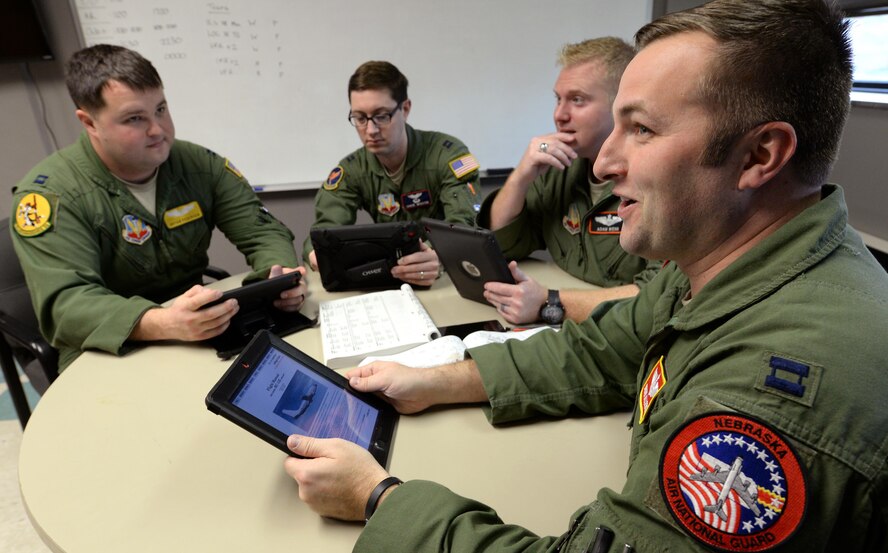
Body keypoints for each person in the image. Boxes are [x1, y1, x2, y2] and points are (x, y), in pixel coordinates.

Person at [281, 0, 888, 551]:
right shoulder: (721, 264)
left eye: (642, 129)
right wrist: (436, 381)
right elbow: (598, 352)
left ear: (759, 156)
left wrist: (380, 500)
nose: (604, 160)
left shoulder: (771, 390)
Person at [10, 44, 308, 371]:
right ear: (89, 122)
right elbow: (67, 307)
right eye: (135, 118)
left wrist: (276, 277)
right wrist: (162, 322)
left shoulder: (197, 164)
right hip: (104, 348)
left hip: (199, 331)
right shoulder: (51, 196)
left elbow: (261, 230)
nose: (158, 131)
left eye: (161, 109)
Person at [479, 38, 661, 326]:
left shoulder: (657, 179)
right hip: (574, 327)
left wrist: (550, 301)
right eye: (558, 99)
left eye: (577, 100)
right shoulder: (560, 167)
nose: (559, 115)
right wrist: (521, 176)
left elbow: (660, 295)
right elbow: (505, 244)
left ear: (623, 106)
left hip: (628, 334)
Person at [303, 61, 481, 287]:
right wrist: (316, 253)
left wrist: (439, 256)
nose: (371, 130)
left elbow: (466, 226)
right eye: (360, 118)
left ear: (405, 109)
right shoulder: (352, 170)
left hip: (448, 278)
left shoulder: (446, 155)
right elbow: (324, 231)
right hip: (390, 280)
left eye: (381, 116)